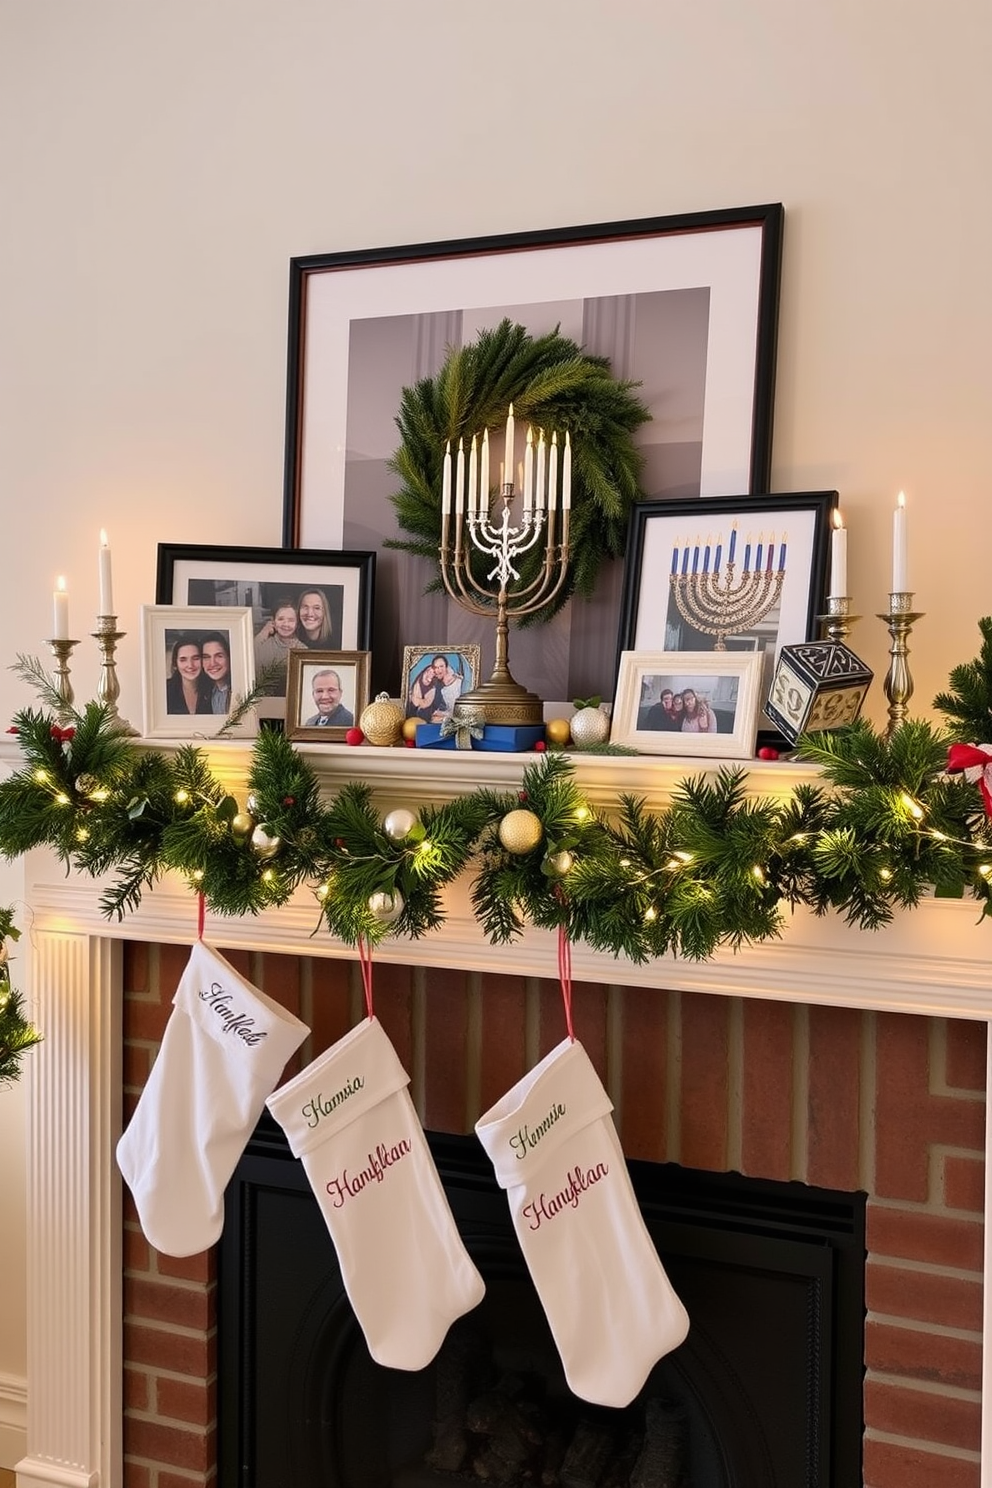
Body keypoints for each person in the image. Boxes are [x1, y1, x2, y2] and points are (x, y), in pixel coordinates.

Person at [254, 598, 305, 695]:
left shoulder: (303, 650)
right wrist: (263, 633)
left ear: (297, 623)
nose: (286, 624)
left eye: (291, 620)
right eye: (281, 619)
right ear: (273, 621)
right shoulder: (263, 645)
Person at [165, 635, 211, 715]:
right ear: (175, 664)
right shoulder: (165, 690)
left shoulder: (213, 690)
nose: (190, 665)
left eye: (195, 658)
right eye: (183, 660)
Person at [200, 632, 232, 715]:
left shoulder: (241, 690)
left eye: (219, 656)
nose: (213, 663)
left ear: (229, 657)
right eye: (206, 657)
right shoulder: (206, 694)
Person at [408, 657, 444, 721]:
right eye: (428, 671)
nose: (430, 674)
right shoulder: (414, 687)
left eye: (434, 673)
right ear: (423, 672)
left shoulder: (436, 692)